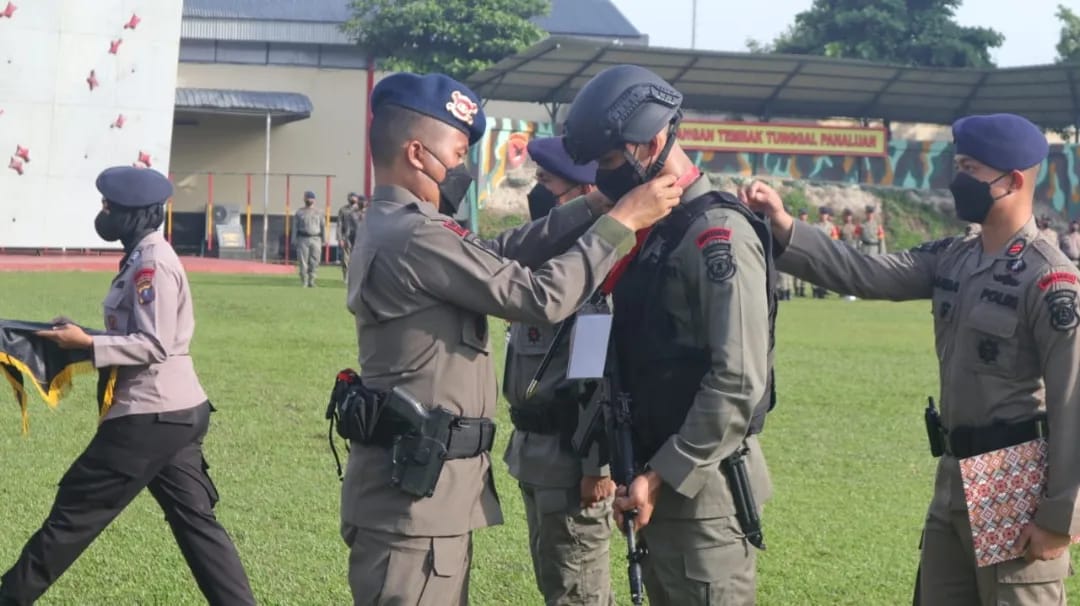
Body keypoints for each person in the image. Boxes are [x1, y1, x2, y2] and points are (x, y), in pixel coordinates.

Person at [341, 72, 682, 606]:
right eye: (456, 152)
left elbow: (499, 254)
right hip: (416, 503)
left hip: (430, 493)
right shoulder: (415, 234)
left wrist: (593, 209)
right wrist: (620, 221)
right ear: (415, 153)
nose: (461, 168)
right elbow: (538, 296)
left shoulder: (404, 226)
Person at [741, 113, 1080, 606]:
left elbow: (1073, 402)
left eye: (970, 168)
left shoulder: (1051, 280)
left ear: (1013, 181)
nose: (957, 179)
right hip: (952, 476)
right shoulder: (954, 258)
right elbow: (865, 271)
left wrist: (1059, 517)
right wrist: (787, 228)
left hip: (1014, 477)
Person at [562, 64, 776, 606]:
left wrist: (658, 477)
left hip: (701, 494)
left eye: (611, 161)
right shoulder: (655, 232)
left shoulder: (715, 236)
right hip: (655, 479)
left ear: (652, 142)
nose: (603, 176)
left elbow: (737, 381)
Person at [0, 167, 256, 606]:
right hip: (177, 412)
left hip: (148, 415)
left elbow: (154, 343)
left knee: (71, 518)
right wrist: (82, 338)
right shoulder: (143, 255)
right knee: (198, 528)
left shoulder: (152, 263)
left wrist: (88, 343)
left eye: (109, 207)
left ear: (135, 214)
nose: (103, 213)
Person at [502, 135, 615, 606]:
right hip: (537, 456)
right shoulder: (554, 269)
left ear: (585, 195)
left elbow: (598, 379)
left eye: (546, 181)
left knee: (579, 595)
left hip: (573, 467)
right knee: (559, 588)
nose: (537, 192)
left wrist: (598, 468)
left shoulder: (595, 281)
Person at [294, 190, 324, 287]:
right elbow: (295, 226)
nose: (309, 199)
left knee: (315, 260)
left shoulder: (319, 212)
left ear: (314, 200)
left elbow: (323, 225)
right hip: (303, 238)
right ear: (304, 199)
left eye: (311, 198)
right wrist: (293, 239)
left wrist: (324, 239)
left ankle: (312, 280)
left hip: (316, 238)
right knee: (303, 261)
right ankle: (304, 281)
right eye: (307, 197)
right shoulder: (299, 212)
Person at [338, 192, 365, 285]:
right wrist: (340, 238)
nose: (353, 199)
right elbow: (340, 225)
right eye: (351, 197)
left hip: (360, 239)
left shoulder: (362, 211)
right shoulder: (343, 210)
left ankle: (356, 277)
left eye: (354, 197)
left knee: (358, 260)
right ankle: (346, 276)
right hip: (348, 237)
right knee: (346, 259)